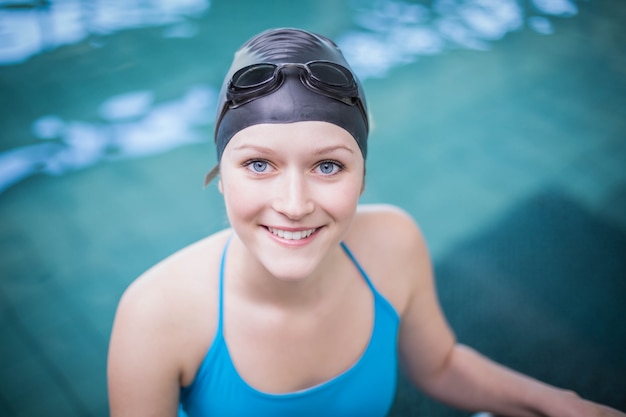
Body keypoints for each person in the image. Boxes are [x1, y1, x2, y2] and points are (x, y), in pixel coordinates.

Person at [107, 28, 625, 417]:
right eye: (258, 164)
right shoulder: (155, 316)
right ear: (222, 176)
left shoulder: (393, 243)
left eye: (327, 165)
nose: (293, 203)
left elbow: (440, 365)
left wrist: (562, 404)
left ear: (362, 177)